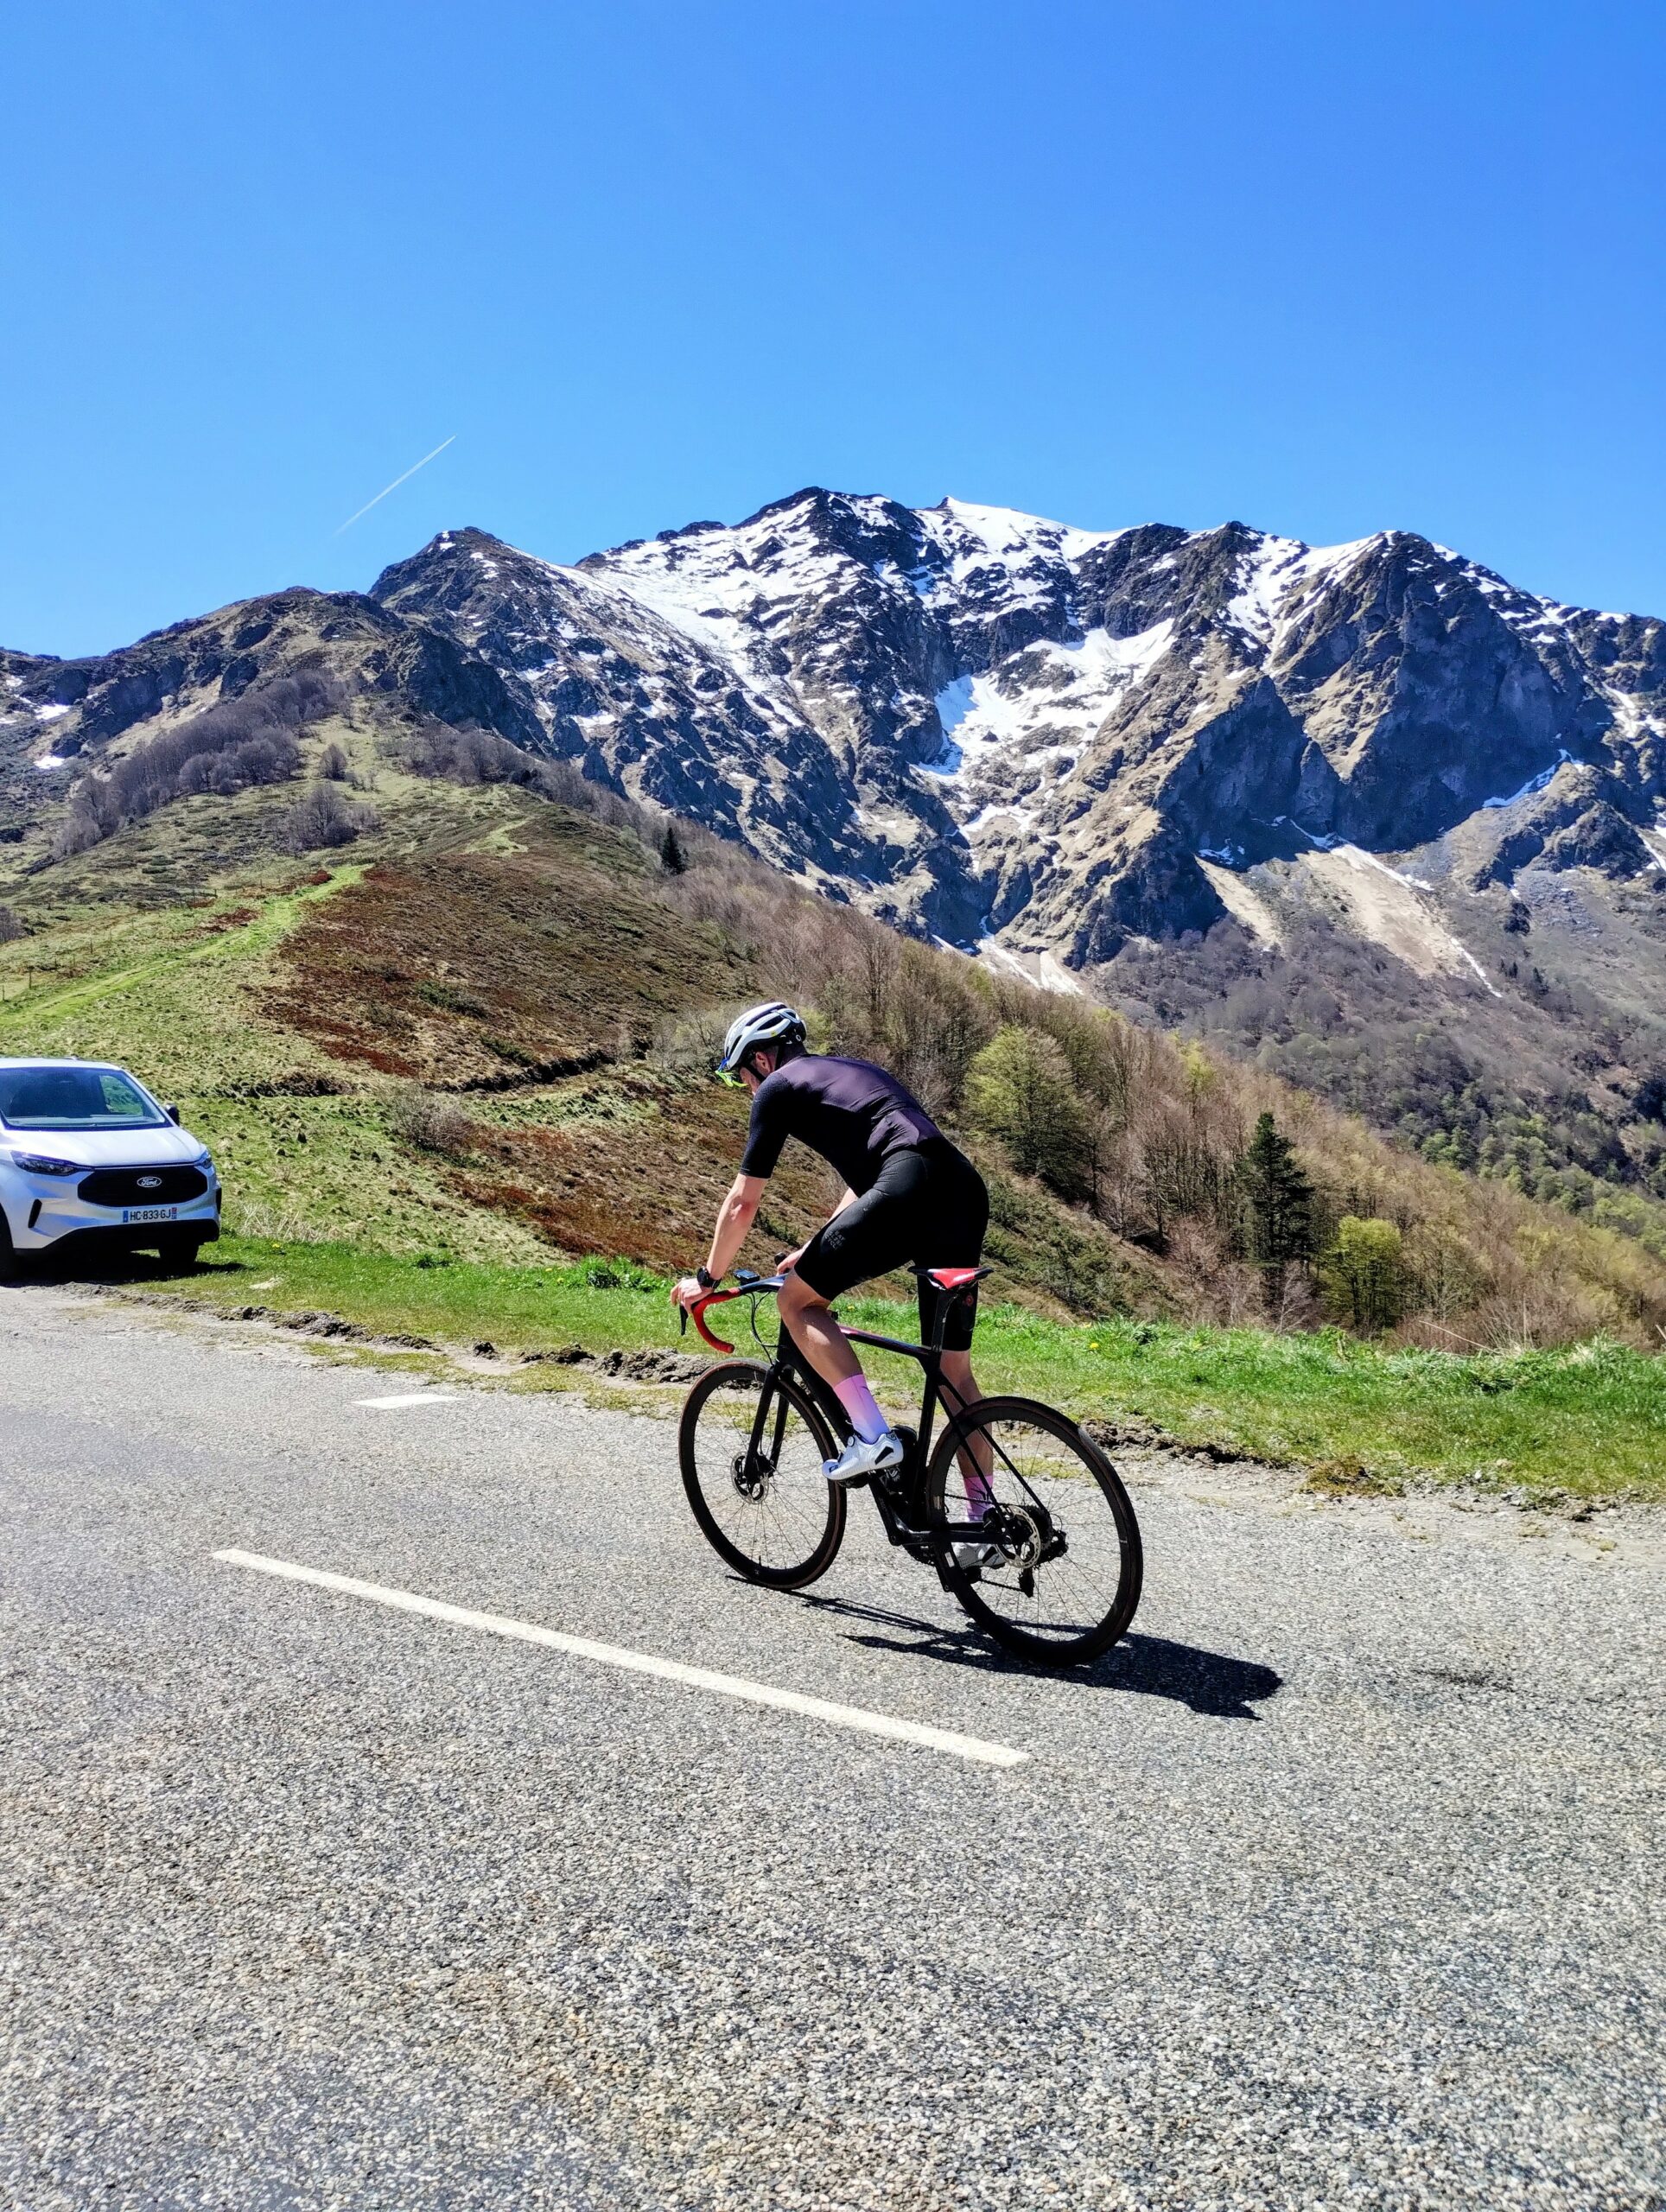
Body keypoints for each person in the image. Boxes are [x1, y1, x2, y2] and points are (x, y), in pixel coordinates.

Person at [671, 1001, 991, 1486]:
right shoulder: (854, 1071)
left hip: (908, 1184)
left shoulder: (777, 1087)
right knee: (953, 1374)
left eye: (742, 1077)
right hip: (962, 1190)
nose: (747, 1090)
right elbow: (872, 1178)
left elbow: (742, 1204)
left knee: (796, 1302)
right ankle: (982, 1525)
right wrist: (816, 1245)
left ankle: (871, 1437)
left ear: (761, 1059)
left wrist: (707, 1278)